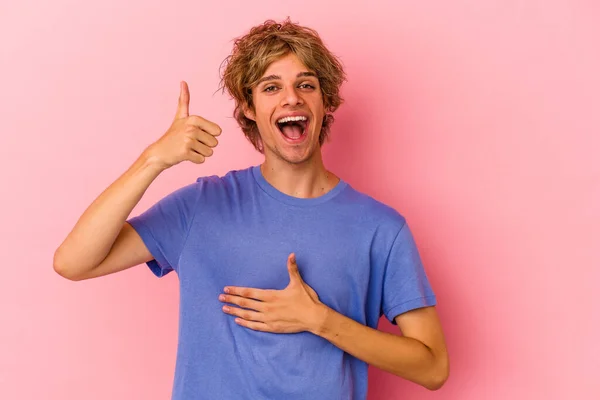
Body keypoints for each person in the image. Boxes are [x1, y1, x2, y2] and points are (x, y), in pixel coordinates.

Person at [54, 18, 449, 399]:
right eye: (271, 87)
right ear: (248, 108)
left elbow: (432, 368)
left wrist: (320, 320)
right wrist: (153, 160)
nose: (291, 97)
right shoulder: (201, 205)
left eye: (305, 84)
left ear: (325, 102)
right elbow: (74, 262)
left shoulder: (380, 228)